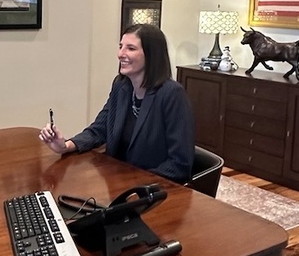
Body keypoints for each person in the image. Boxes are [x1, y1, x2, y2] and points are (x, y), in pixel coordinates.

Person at [39, 24, 194, 184]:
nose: (121, 54)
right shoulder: (121, 86)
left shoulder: (171, 94)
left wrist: (137, 185)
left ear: (151, 55)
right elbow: (99, 129)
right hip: (118, 184)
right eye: (121, 47)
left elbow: (180, 164)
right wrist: (65, 146)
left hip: (153, 192)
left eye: (131, 48)